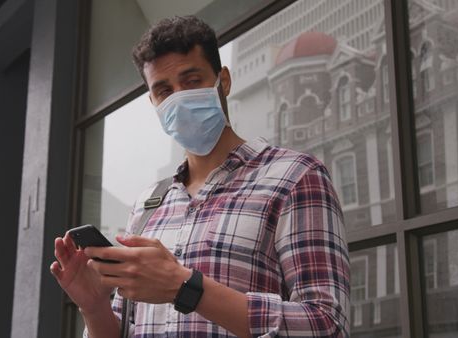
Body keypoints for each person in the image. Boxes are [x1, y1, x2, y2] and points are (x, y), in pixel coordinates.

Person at [50, 16, 350, 338]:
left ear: (223, 81)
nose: (178, 97)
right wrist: (94, 307)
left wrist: (186, 287)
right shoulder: (147, 205)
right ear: (153, 101)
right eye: (164, 90)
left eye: (191, 81)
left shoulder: (295, 177)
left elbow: (328, 325)